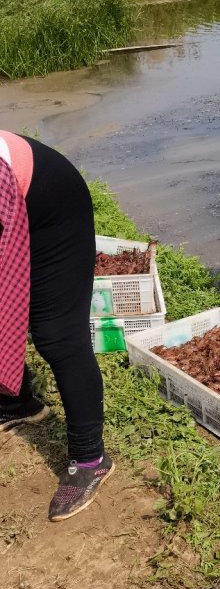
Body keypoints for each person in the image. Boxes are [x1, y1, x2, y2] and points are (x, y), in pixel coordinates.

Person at [0, 131, 113, 521]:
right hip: (12, 200)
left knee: (58, 335)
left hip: (51, 204)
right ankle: (18, 402)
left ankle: (90, 458)